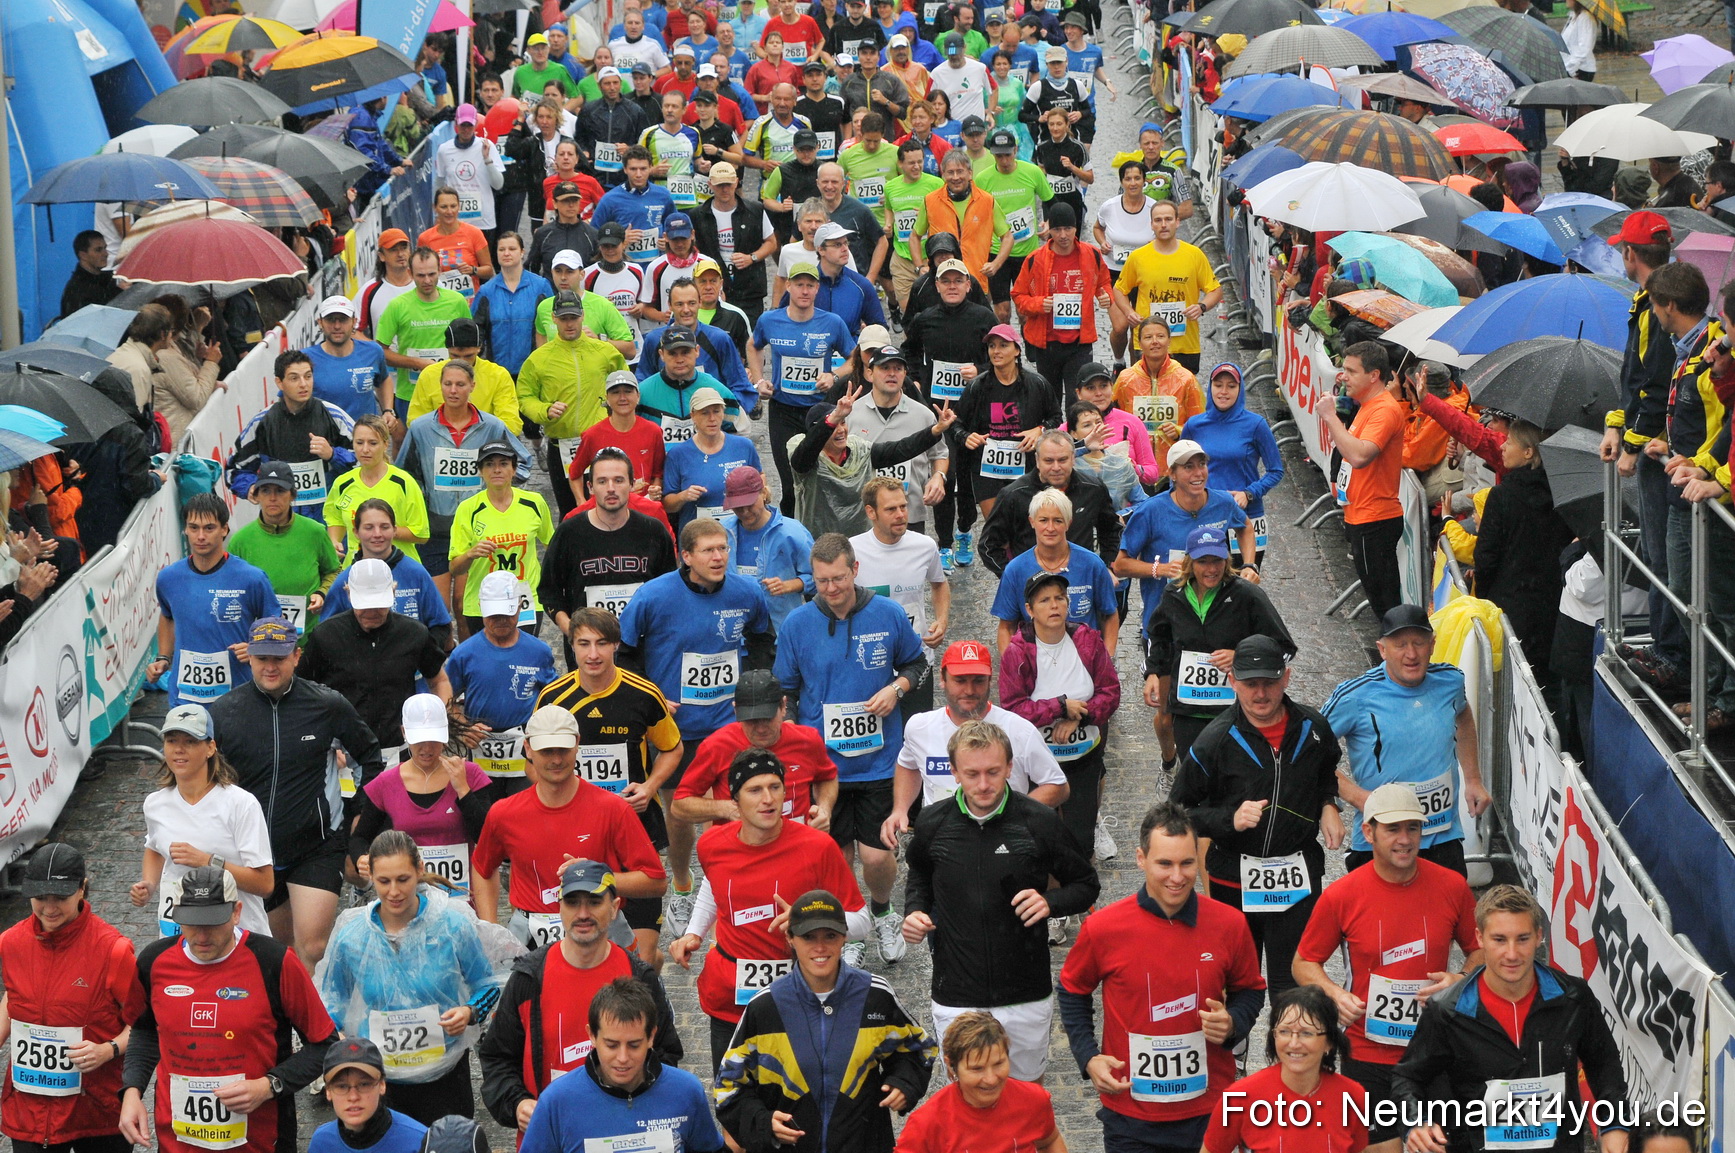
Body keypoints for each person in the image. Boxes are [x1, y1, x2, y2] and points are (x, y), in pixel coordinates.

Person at [1056, 801, 1267, 1153]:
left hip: (1210, 1110)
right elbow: (1072, 990)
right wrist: (1088, 1056)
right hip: (1130, 1116)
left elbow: (1250, 990)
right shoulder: (1104, 928)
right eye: (1164, 864)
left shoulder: (1229, 924)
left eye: (1186, 863)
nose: (1177, 876)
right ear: (1141, 859)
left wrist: (1233, 1024)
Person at [902, 720, 1098, 1080]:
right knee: (966, 1105)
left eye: (993, 772)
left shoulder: (1037, 821)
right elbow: (919, 874)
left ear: (1010, 767)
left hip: (1025, 992)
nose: (983, 784)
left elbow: (1086, 884)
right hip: (956, 993)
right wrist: (914, 911)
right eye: (972, 773)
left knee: (1028, 1102)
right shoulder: (932, 822)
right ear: (954, 772)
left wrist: (1050, 902)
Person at [1293, 783, 1481, 1153]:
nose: (1405, 839)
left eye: (1413, 828)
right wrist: (1335, 994)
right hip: (1368, 1052)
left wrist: (1459, 979)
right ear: (1369, 832)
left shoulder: (1452, 886)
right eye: (1393, 829)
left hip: (1435, 1050)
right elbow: (1303, 962)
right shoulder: (1342, 895)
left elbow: (1481, 952)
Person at [774, 533, 927, 966]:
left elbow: (918, 664)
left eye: (838, 578)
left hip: (880, 761)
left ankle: (881, 910)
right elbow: (786, 691)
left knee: (878, 856)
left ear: (855, 570)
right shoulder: (797, 624)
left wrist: (896, 688)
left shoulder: (888, 614)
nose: (830, 588)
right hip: (824, 769)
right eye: (821, 581)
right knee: (835, 861)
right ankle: (848, 928)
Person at [667, 750, 872, 1069]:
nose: (768, 799)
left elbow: (861, 922)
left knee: (798, 1104)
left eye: (775, 787)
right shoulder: (711, 845)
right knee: (732, 1103)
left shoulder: (817, 847)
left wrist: (811, 918)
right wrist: (693, 933)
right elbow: (713, 883)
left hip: (799, 996)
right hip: (729, 999)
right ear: (733, 801)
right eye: (755, 790)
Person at [618, 519, 778, 925]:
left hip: (730, 723)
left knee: (731, 807)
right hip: (677, 727)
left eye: (723, 548)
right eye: (708, 550)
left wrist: (753, 689)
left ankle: (728, 886)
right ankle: (684, 882)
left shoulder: (746, 591)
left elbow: (762, 639)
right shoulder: (652, 597)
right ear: (686, 556)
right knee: (680, 810)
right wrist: (653, 697)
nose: (718, 557)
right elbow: (627, 656)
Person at [1392, 885, 1630, 1153]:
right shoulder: (1447, 1010)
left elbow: (1604, 1064)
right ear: (1480, 939)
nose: (1512, 954)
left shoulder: (1573, 998)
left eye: (1523, 938)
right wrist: (1415, 1122)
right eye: (1500, 940)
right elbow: (1408, 1077)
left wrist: (1615, 1124)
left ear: (1539, 936)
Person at [1166, 631, 1336, 1000]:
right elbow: (1176, 814)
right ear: (1232, 682)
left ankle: (1289, 1057)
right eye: (1250, 684)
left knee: (1292, 986)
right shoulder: (1214, 741)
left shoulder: (1314, 729)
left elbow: (1326, 773)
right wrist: (1230, 819)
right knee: (1234, 986)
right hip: (1234, 883)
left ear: (1286, 678)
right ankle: (1235, 1058)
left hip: (1297, 880)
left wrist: (1328, 805)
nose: (1260, 694)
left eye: (1270, 683)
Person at [119, 865, 337, 1153]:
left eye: (213, 923)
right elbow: (145, 1030)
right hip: (178, 1143)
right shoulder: (154, 962)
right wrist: (132, 1091)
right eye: (192, 923)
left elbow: (325, 1046)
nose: (201, 935)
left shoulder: (274, 962)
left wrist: (268, 1086)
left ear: (236, 912)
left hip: (260, 1142)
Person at [213, 616, 384, 966]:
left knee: (315, 947)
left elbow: (370, 756)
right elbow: (207, 779)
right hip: (256, 854)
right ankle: (286, 1018)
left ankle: (311, 1021)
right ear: (250, 659)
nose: (270, 666)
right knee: (279, 950)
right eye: (263, 658)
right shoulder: (224, 712)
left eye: (280, 657)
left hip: (316, 845)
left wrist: (359, 819)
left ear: (296, 656)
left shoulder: (326, 704)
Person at [715, 887, 936, 1150]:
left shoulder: (875, 996)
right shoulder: (765, 1007)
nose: (820, 947)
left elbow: (917, 1050)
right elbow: (728, 1087)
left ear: (844, 937)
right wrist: (763, 1122)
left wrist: (904, 1083)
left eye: (830, 936)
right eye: (808, 937)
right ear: (790, 938)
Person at [479, 860, 683, 1133]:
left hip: (623, 1133)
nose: (583, 913)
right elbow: (497, 1057)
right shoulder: (529, 978)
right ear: (559, 908)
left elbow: (666, 1054)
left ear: (615, 907)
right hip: (553, 1135)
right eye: (573, 902)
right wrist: (518, 1104)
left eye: (594, 902)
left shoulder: (640, 977)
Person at [316, 831, 506, 1125]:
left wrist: (470, 1012)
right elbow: (331, 1002)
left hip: (445, 1077)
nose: (394, 891)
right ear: (372, 878)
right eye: (384, 881)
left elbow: (487, 985)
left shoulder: (453, 925)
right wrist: (336, 1036)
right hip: (378, 1078)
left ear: (419, 870)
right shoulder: (352, 937)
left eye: (403, 879)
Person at [534, 607, 685, 962]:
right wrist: (563, 797)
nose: (592, 654)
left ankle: (650, 976)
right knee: (587, 948)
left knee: (641, 959)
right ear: (570, 647)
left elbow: (672, 749)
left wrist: (649, 788)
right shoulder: (553, 699)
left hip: (634, 827)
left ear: (616, 645)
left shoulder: (644, 694)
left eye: (602, 644)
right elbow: (534, 765)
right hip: (576, 830)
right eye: (583, 644)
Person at [472, 706, 668, 953]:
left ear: (577, 744)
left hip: (600, 937)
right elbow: (482, 867)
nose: (556, 759)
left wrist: (598, 876)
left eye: (563, 749)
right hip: (531, 943)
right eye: (546, 751)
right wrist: (491, 928)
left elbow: (656, 881)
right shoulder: (504, 813)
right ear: (528, 748)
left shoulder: (612, 809)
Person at [1323, 605, 1491, 876]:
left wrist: (1473, 778)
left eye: (1419, 643)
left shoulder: (1450, 681)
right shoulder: (1355, 696)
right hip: (1379, 842)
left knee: (1446, 916)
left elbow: (1463, 715)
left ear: (1432, 645)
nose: (1411, 654)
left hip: (1442, 836)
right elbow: (1307, 749)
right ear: (1382, 649)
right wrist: (1358, 798)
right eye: (1400, 645)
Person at [2, 843, 144, 1153]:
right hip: (30, 1112)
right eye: (40, 898)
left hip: (96, 1110)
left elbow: (145, 1025)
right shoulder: (10, 943)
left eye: (61, 898)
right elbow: (13, 998)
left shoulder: (114, 951)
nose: (49, 909)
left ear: (82, 889)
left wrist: (108, 1050)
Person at [883, 638, 1068, 842]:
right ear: (942, 679)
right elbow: (908, 765)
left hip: (1002, 843)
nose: (969, 690)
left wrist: (1014, 817)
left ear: (990, 681)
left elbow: (1058, 786)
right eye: (960, 681)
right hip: (942, 842)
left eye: (978, 681)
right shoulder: (919, 727)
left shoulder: (1019, 730)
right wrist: (900, 809)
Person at [999, 570, 1120, 879]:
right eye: (1044, 600)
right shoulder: (1017, 651)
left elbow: (1111, 692)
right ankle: (1052, 907)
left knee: (1081, 839)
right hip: (1037, 765)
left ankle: (1079, 895)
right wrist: (1059, 707)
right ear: (1029, 609)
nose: (1053, 605)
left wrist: (1080, 714)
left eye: (1059, 599)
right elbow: (1012, 708)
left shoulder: (1087, 640)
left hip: (1083, 757)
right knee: (1040, 837)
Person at [516, 978, 726, 1153]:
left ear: (651, 1036)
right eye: (611, 1045)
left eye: (634, 1045)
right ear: (592, 1036)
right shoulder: (556, 1102)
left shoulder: (686, 1091)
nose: (623, 1058)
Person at [1145, 526, 1292, 760]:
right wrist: (1153, 673)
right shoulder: (1174, 594)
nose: (1211, 569)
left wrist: (1240, 656)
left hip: (1235, 711)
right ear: (1189, 562)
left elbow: (1284, 647)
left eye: (1218, 560)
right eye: (1203, 561)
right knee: (1195, 774)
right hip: (1188, 709)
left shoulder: (1247, 595)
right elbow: (1159, 636)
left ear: (1227, 559)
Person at [131, 703, 275, 938]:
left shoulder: (241, 804)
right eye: (171, 741)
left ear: (210, 748)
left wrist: (207, 861)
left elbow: (265, 884)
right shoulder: (155, 804)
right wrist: (149, 883)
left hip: (237, 937)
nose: (179, 749)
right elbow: (155, 847)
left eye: (190, 741)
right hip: (176, 936)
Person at [395, 361, 530, 603]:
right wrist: (421, 499)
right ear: (441, 386)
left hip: (476, 529)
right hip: (436, 528)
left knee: (466, 605)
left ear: (472, 387)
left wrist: (498, 495)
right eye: (448, 384)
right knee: (438, 607)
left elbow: (524, 464)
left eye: (460, 384)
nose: (453, 390)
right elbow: (404, 475)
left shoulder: (492, 426)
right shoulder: (420, 428)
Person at [299, 559, 451, 768]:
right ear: (349, 593)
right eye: (364, 604)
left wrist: (437, 724)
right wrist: (319, 742)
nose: (371, 612)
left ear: (393, 593)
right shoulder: (325, 636)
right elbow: (301, 692)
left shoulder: (414, 633)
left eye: (378, 604)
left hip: (398, 751)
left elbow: (439, 680)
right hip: (341, 753)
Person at [346, 695, 492, 896]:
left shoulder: (470, 774)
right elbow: (359, 838)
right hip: (407, 900)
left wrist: (462, 790)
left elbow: (487, 840)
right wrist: (362, 858)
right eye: (419, 740)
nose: (427, 748)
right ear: (404, 733)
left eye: (434, 739)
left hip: (460, 898)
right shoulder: (385, 783)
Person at [148, 493, 281, 708]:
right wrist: (162, 657)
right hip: (185, 697)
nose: (201, 536)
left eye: (209, 528)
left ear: (224, 529)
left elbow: (276, 625)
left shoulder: (252, 578)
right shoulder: (168, 578)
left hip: (239, 697)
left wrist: (255, 647)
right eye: (193, 528)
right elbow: (167, 617)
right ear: (185, 530)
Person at [1202, 987, 1372, 1153]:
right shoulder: (1239, 1099)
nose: (1294, 1043)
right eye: (1284, 1031)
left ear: (1329, 1042)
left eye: (1307, 1033)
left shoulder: (1353, 1097)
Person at [671, 669, 841, 829]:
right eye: (751, 720)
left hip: (795, 847)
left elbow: (827, 777)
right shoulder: (717, 745)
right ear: (736, 710)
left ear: (783, 707)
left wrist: (824, 809)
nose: (760, 729)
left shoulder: (807, 740)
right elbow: (679, 805)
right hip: (741, 851)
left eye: (767, 718)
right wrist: (725, 808)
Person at [443, 570, 558, 793]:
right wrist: (463, 727)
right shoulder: (464, 654)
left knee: (525, 813)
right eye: (494, 615)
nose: (501, 621)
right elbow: (445, 697)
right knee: (484, 815)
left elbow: (553, 698)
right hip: (479, 747)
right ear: (481, 609)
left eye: (506, 614)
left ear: (519, 606)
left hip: (524, 749)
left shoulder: (539, 652)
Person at [1473, 419, 1576, 668]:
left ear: (1529, 452)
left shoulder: (1502, 496)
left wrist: (1482, 595)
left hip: (1509, 605)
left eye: (1509, 441)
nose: (1502, 447)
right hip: (1552, 605)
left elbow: (1486, 556)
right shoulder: (1563, 493)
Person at [518, 291, 627, 519]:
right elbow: (525, 397)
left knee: (610, 508)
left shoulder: (604, 352)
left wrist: (614, 409)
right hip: (561, 447)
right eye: (564, 318)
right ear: (554, 319)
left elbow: (626, 385)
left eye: (574, 318)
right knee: (571, 514)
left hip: (601, 444)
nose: (569, 324)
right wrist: (545, 410)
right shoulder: (539, 358)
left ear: (583, 316)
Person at [1321, 341, 1408, 620]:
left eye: (1351, 370)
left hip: (1375, 520)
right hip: (1361, 516)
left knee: (1386, 606)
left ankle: (1397, 659)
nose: (1343, 376)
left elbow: (1360, 456)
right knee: (1380, 601)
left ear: (1374, 375)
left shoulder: (1384, 410)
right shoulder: (1367, 405)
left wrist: (1330, 417)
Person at [894, 1012, 1068, 1153]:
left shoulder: (1033, 1100)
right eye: (977, 1069)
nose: (991, 1079)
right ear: (951, 1065)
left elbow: (1049, 1141)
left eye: (999, 1063)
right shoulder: (927, 1123)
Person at [227, 351, 358, 524]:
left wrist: (333, 454)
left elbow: (366, 461)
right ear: (279, 383)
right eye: (294, 378)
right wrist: (250, 486)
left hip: (330, 518)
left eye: (308, 376)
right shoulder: (263, 422)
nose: (303, 384)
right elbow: (235, 469)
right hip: (282, 520)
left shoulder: (334, 416)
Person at [988, 484, 1119, 653]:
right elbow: (1006, 626)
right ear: (1032, 522)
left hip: (1084, 664)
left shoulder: (1092, 564)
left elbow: (1110, 615)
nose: (1050, 528)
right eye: (1043, 520)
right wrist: (1012, 669)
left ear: (1068, 524)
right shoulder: (1015, 570)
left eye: (1058, 520)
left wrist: (1106, 662)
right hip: (1034, 665)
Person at [978, 429, 1122, 581]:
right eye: (1048, 461)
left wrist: (1105, 566)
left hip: (1082, 582)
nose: (1056, 467)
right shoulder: (1013, 494)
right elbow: (988, 545)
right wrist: (1014, 578)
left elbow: (1112, 531)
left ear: (1073, 458)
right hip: (1034, 587)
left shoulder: (1093, 489)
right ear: (1037, 460)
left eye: (1062, 460)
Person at [851, 477, 949, 690]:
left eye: (903, 506)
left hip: (916, 659)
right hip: (871, 663)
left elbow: (939, 583)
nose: (900, 515)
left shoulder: (924, 546)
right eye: (891, 509)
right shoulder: (852, 551)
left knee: (916, 724)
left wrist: (941, 621)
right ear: (871, 512)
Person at [448, 441, 555, 636]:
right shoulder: (468, 509)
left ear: (514, 470)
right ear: (480, 471)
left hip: (524, 598)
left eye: (504, 464)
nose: (496, 470)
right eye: (489, 464)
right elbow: (455, 568)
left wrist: (549, 586)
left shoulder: (534, 503)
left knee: (523, 660)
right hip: (482, 600)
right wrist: (471, 554)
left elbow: (553, 548)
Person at [954, 324, 1059, 519]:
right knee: (997, 528)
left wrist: (1040, 430)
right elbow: (956, 423)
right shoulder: (977, 386)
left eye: (1003, 345)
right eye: (992, 346)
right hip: (987, 469)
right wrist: (966, 437)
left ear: (1017, 350)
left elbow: (1056, 418)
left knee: (1026, 527)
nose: (996, 351)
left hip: (1026, 468)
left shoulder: (1037, 384)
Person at [230, 461, 344, 639]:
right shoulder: (240, 541)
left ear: (292, 495)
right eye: (266, 491)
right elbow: (231, 591)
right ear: (256, 495)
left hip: (308, 642)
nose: (272, 498)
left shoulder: (315, 532)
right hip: (260, 646)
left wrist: (322, 593)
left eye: (280, 490)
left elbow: (335, 570)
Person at [1185, 363, 1283, 566]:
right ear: (1209, 387)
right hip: (1204, 514)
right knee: (1204, 585)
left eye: (1231, 386)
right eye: (1218, 385)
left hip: (1246, 516)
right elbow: (1178, 472)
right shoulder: (1194, 425)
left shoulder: (1256, 425)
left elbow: (1276, 470)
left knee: (1243, 586)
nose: (1223, 392)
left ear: (1240, 389)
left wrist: (1249, 493)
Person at [1115, 199, 1220, 374]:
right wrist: (1128, 312)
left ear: (1177, 222)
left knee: (1183, 399)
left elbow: (1215, 290)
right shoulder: (1138, 257)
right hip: (1149, 343)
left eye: (1168, 219)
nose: (1163, 225)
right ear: (1151, 224)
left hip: (1185, 344)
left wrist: (1202, 306)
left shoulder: (1194, 255)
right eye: (1158, 220)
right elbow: (1119, 289)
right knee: (1149, 397)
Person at [377, 248, 474, 424]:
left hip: (452, 394)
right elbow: (380, 352)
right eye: (420, 276)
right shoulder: (398, 306)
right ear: (410, 273)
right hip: (412, 394)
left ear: (440, 271)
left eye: (432, 274)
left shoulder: (457, 301)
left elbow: (471, 346)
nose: (427, 281)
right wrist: (417, 363)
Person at [325, 415, 432, 563]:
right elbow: (335, 519)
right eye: (359, 443)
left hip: (398, 569)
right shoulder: (343, 484)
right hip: (357, 570)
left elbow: (421, 534)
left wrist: (379, 531)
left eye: (373, 443)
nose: (365, 449)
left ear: (385, 445)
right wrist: (334, 542)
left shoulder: (403, 482)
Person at [663, 385, 763, 530]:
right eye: (704, 413)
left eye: (716, 411)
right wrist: (683, 496)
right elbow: (667, 505)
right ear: (693, 416)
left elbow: (759, 476)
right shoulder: (678, 454)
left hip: (739, 532)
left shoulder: (744, 446)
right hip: (697, 536)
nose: (712, 418)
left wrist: (761, 492)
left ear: (723, 413)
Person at [1114, 317, 1204, 478]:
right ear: (1139, 343)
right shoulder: (1125, 380)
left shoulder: (1186, 379)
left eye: (1160, 336)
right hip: (1135, 468)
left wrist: (1178, 431)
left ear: (1169, 340)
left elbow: (1201, 425)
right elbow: (1113, 420)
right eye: (1148, 337)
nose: (1155, 342)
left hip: (1176, 467)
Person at [692, 162, 780, 325]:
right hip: (713, 290)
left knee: (749, 340)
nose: (725, 189)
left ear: (737, 182)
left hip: (749, 290)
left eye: (728, 184)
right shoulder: (698, 215)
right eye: (720, 185)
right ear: (710, 184)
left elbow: (771, 242)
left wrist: (751, 257)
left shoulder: (755, 210)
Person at [306, 1039, 428, 1153]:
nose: (353, 1097)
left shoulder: (420, 1142)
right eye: (342, 1086)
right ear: (328, 1091)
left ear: (382, 1085)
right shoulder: (321, 1143)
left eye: (364, 1084)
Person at [473, 233, 551, 379]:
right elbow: (477, 330)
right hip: (496, 373)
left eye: (512, 249)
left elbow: (552, 326)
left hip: (533, 372)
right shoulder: (486, 291)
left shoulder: (541, 286)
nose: (506, 253)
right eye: (501, 249)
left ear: (522, 252)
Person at [419, 188, 496, 300]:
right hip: (440, 301)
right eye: (444, 207)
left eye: (453, 206)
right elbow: (420, 272)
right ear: (435, 208)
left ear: (459, 207)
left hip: (470, 302)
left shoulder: (474, 233)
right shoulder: (425, 238)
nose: (449, 211)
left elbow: (489, 271)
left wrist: (473, 270)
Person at [60, 230, 120, 318]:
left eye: (105, 248)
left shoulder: (108, 278)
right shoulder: (77, 289)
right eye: (98, 250)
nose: (106, 254)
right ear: (83, 255)